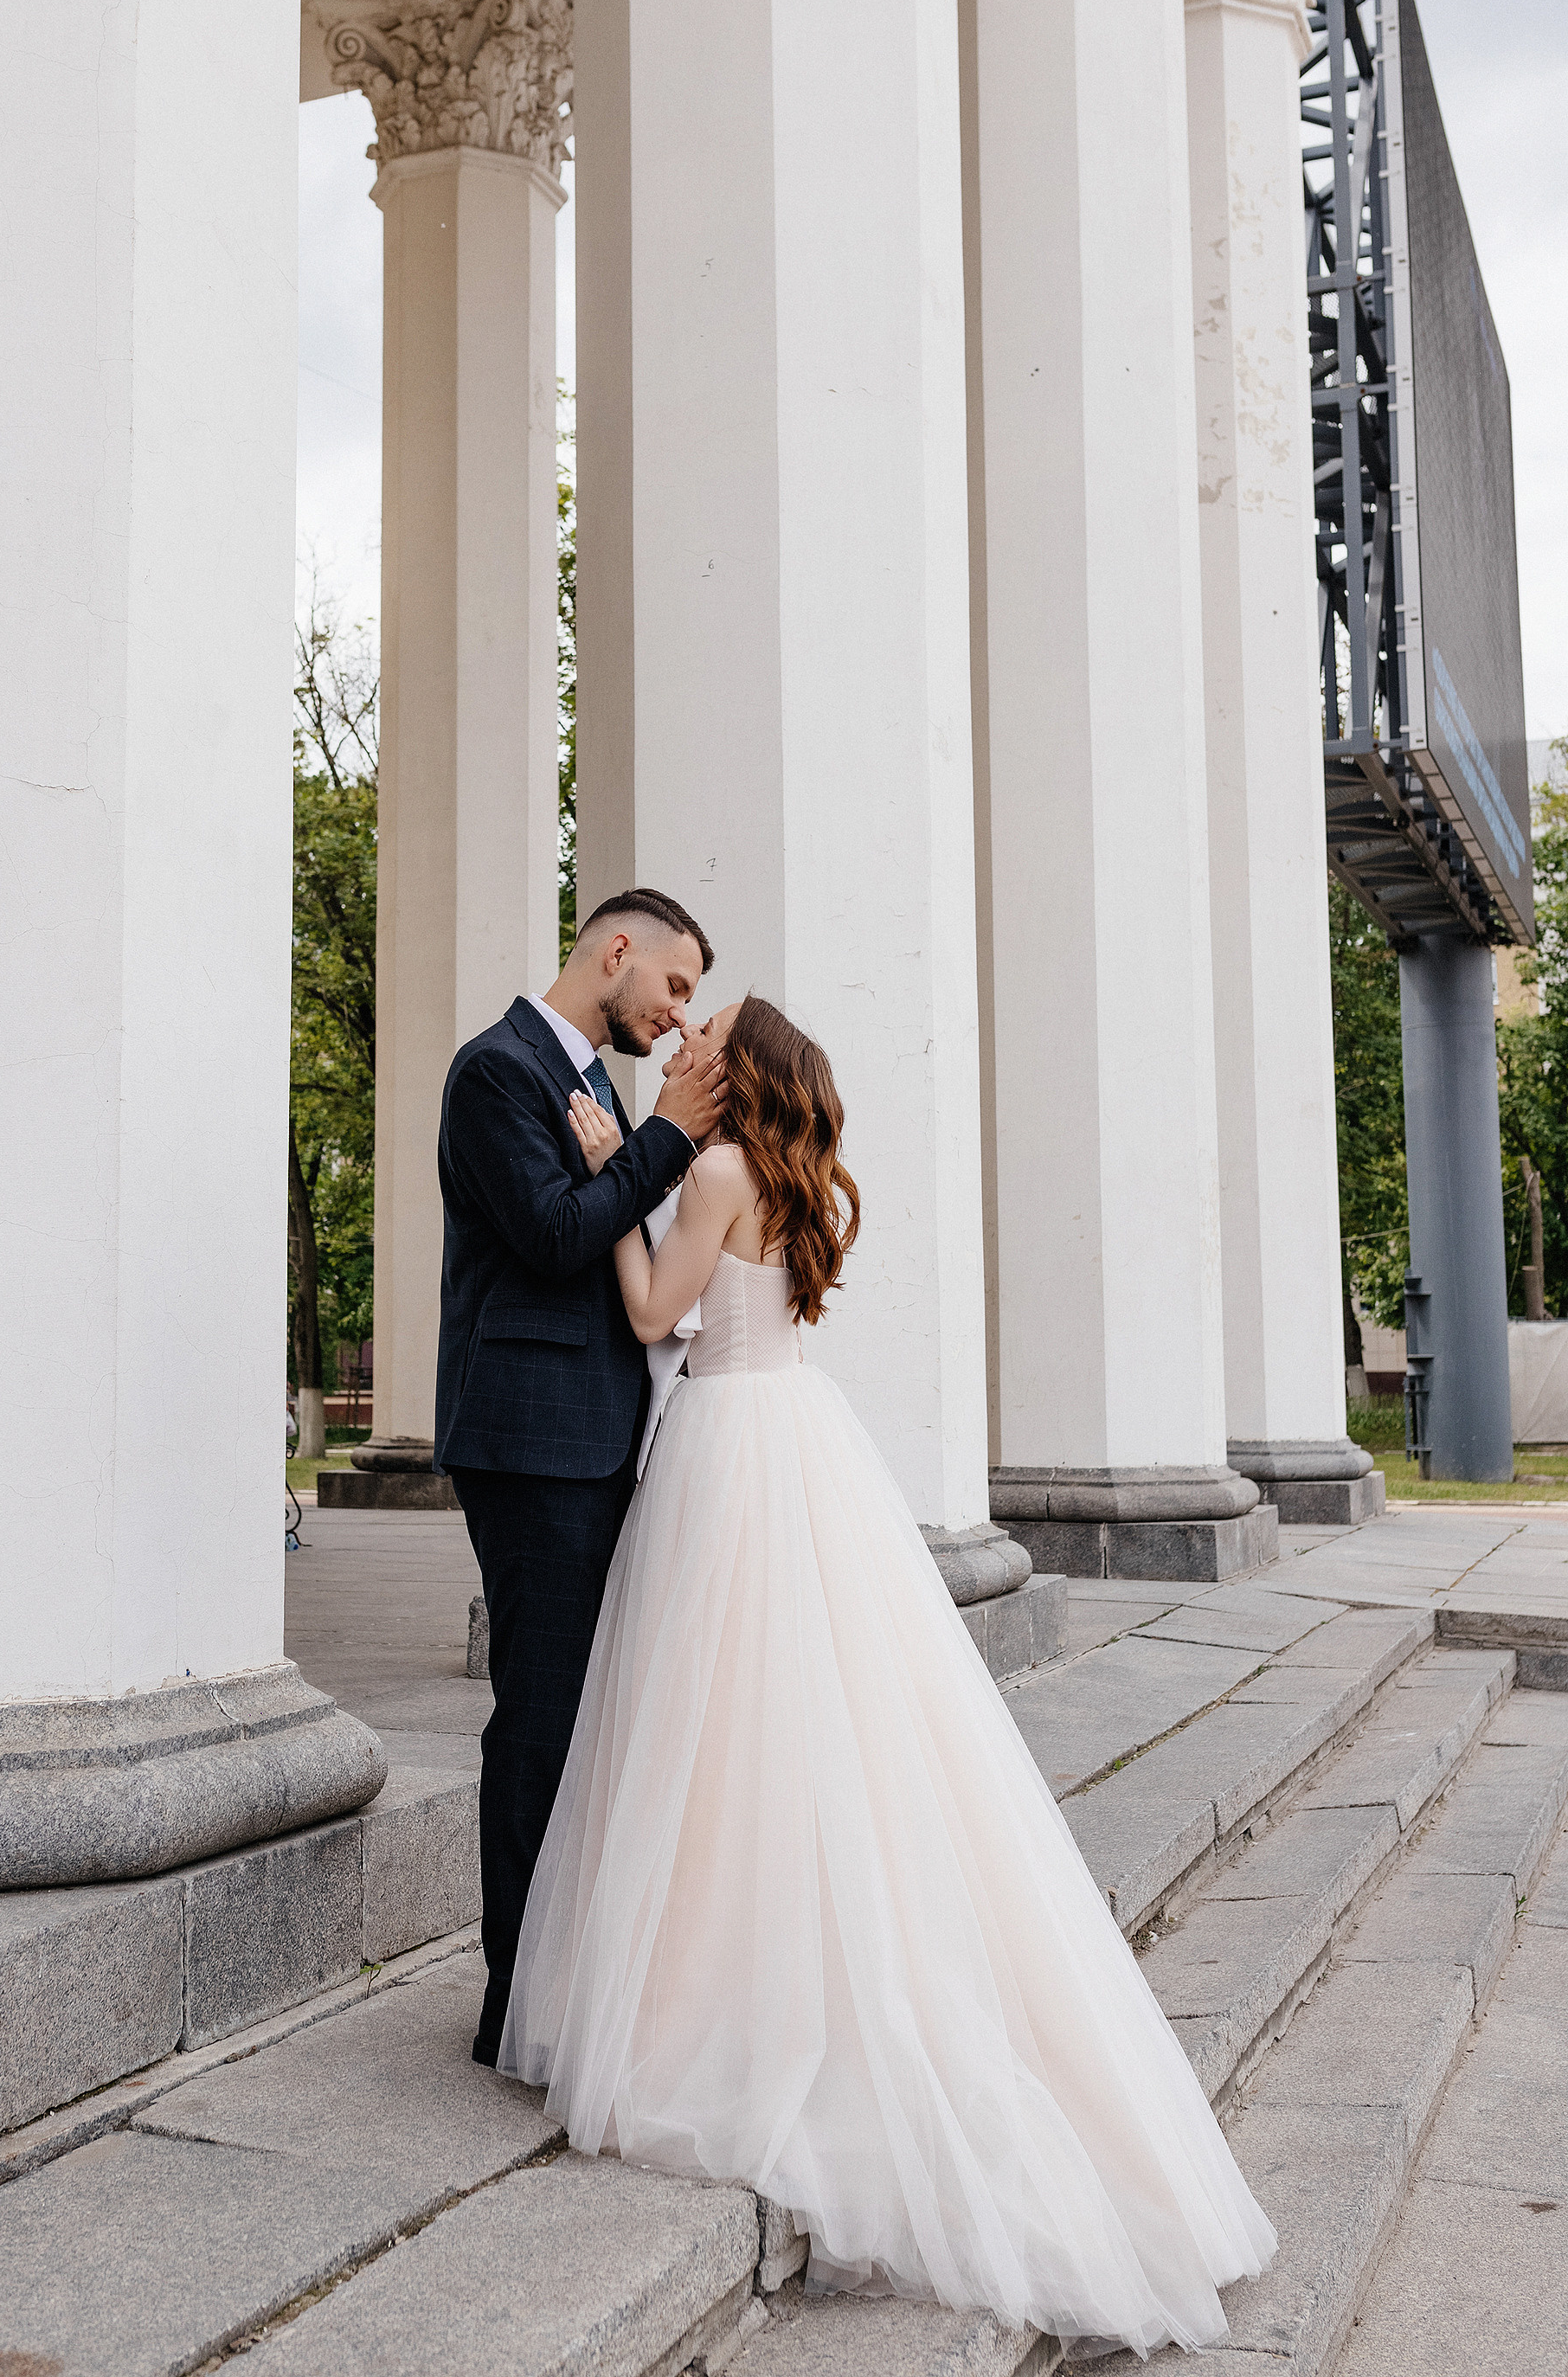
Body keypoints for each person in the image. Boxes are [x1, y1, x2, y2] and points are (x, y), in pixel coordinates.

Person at [498, 996, 1278, 2359]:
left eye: (706, 1033)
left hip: (727, 1451)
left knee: (718, 1727)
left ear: (738, 1072)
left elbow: (652, 1314)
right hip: (801, 1434)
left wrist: (613, 1187)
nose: (684, 1042)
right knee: (800, 1723)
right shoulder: (793, 1180)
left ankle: (713, 1986)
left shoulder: (716, 1171)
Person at [434, 889, 724, 2067]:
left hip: (597, 1436)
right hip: (531, 1442)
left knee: (585, 1721)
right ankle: (518, 2009)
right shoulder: (495, 1071)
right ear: (616, 952)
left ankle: (568, 1982)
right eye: (674, 985)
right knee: (542, 1720)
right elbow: (557, 1233)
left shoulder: (594, 1080)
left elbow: (618, 1238)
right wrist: (673, 1138)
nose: (680, 1013)